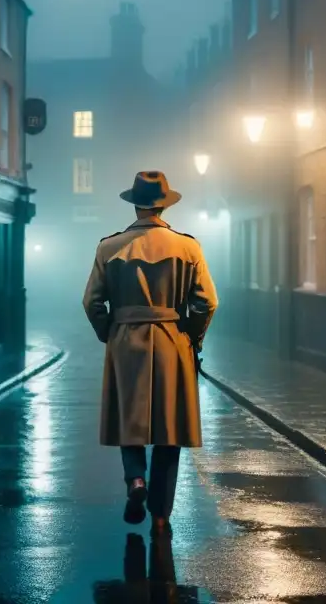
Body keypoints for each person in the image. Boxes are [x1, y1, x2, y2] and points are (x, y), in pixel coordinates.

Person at [82, 171, 219, 536]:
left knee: (129, 418)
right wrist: (193, 337)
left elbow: (92, 302)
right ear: (164, 204)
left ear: (136, 204)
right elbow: (207, 302)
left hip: (126, 338)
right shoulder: (188, 247)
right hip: (173, 338)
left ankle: (136, 481)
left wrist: (110, 332)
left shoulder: (109, 247)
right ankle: (160, 515)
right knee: (169, 431)